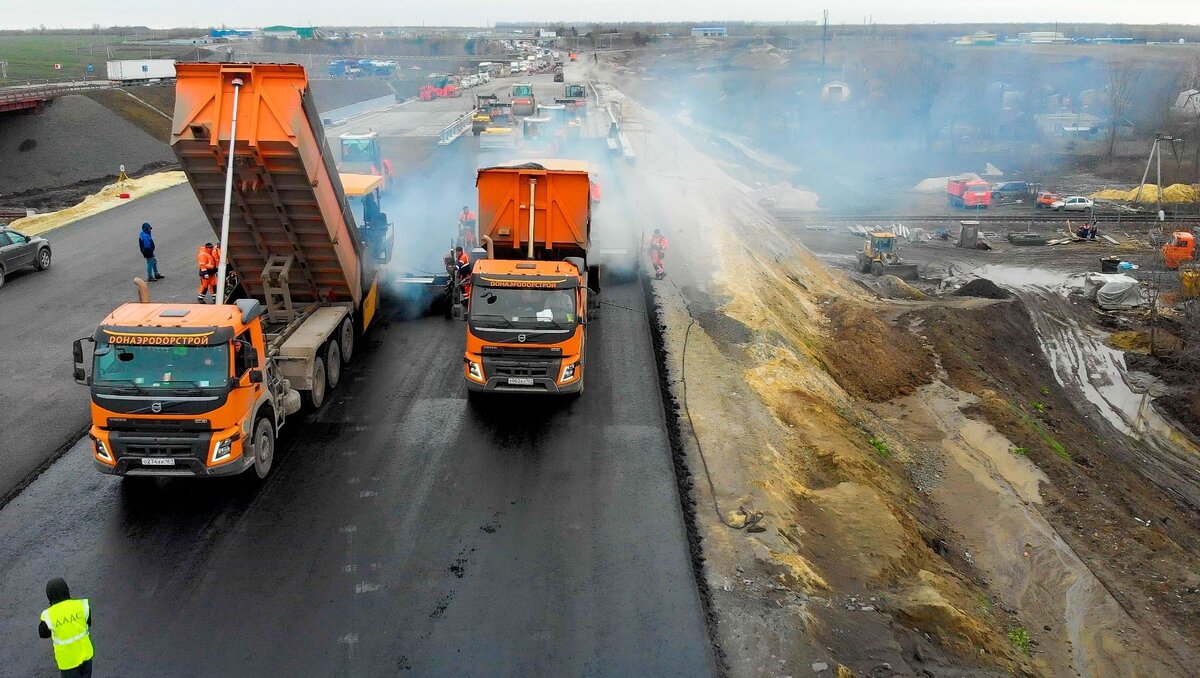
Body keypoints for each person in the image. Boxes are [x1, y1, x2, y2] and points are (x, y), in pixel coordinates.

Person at [38, 577, 93, 677]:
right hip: (86, 657)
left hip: (68, 663)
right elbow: (88, 623)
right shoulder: (81, 605)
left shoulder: (49, 615)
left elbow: (43, 633)